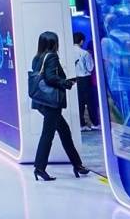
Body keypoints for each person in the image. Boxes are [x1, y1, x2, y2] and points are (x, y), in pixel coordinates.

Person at [31, 31, 89, 181]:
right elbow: (51, 78)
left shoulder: (37, 58)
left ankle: (77, 165)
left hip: (41, 102)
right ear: (53, 43)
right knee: (48, 135)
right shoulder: (52, 56)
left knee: (64, 132)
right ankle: (40, 168)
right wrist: (66, 83)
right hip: (51, 103)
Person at [71, 32, 99, 131]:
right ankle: (95, 123)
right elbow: (90, 67)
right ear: (82, 41)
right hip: (85, 79)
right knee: (90, 102)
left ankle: (81, 125)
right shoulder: (85, 53)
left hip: (74, 79)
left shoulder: (69, 52)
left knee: (79, 102)